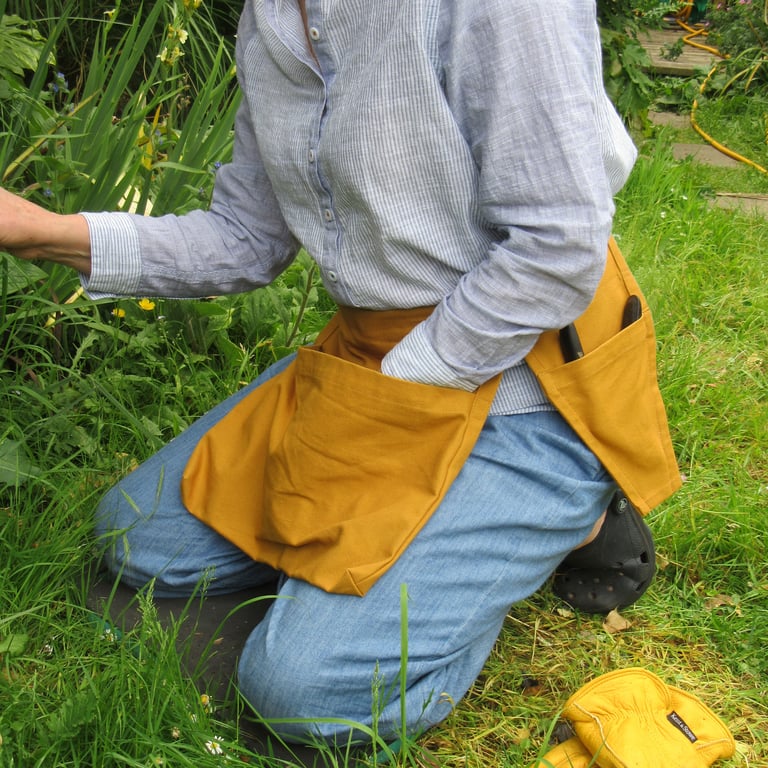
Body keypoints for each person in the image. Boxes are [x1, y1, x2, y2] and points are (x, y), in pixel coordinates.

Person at [0, 0, 680, 747]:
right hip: (372, 360)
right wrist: (45, 233)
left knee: (302, 694)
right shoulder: (270, 19)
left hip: (532, 391)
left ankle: (570, 520)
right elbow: (245, 239)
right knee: (134, 539)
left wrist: (394, 398)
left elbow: (557, 252)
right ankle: (374, 564)